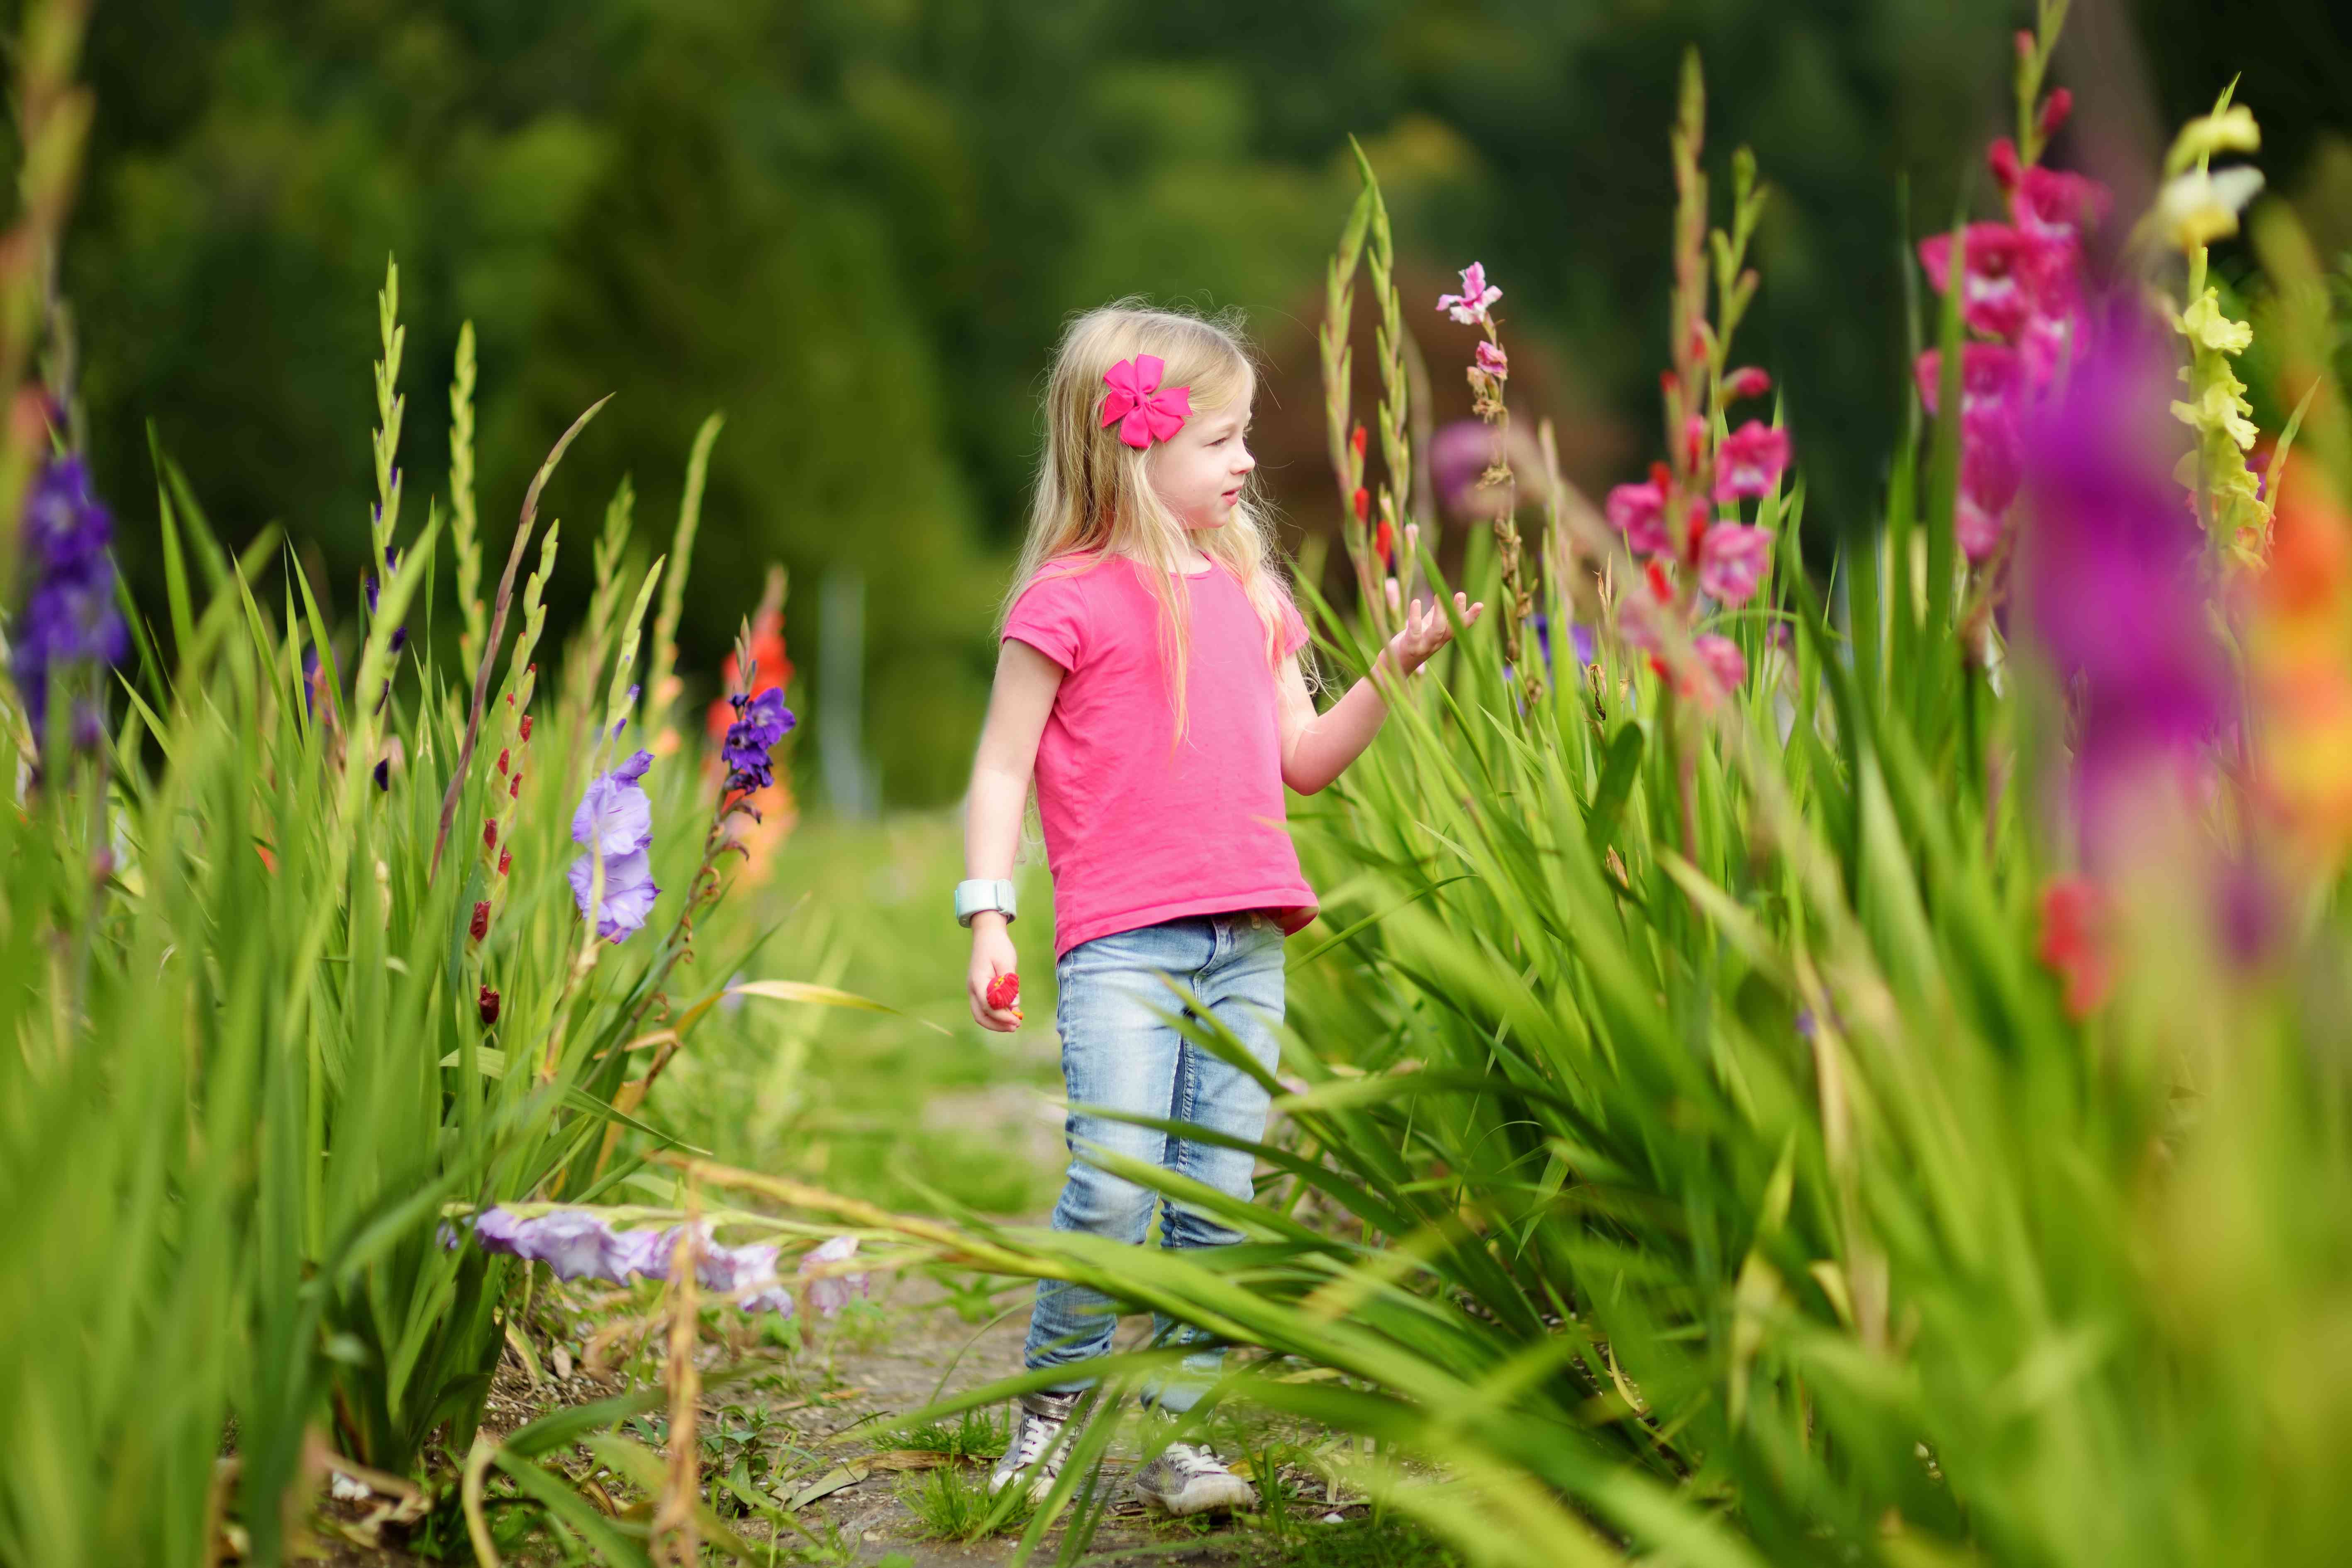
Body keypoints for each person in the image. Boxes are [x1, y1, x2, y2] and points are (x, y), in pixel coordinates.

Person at [959, 302, 1480, 1514]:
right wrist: (987, 914)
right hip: (1123, 945)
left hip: (1248, 940)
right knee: (1117, 1181)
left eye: (1247, 435)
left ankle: (1184, 1430)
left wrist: (1388, 678)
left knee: (1216, 1197)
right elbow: (997, 768)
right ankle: (1051, 1409)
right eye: (1222, 438)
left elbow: (1300, 758)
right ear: (1131, 447)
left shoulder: (1253, 591)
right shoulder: (1065, 600)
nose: (1248, 461)